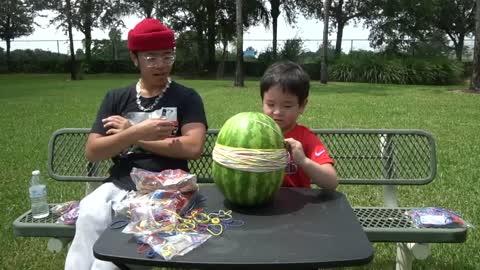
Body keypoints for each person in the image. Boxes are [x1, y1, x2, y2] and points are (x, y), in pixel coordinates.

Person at [65, 18, 208, 270]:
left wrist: (135, 134)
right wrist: (134, 134)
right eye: (151, 58)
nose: (161, 65)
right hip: (119, 183)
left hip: (166, 190)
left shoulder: (186, 97)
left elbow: (193, 147)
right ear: (135, 58)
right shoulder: (117, 97)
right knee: (88, 213)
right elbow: (93, 151)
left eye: (167, 56)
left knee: (106, 265)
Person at [260, 61, 337, 191]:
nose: (277, 112)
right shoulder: (256, 133)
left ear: (301, 106)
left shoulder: (305, 138)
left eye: (287, 106)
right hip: (260, 204)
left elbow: (331, 182)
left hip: (298, 205)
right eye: (271, 104)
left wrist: (303, 161)